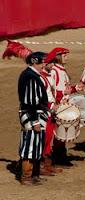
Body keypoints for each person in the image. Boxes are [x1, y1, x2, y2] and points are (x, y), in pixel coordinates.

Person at [45, 47, 84, 166]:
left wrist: (74, 88)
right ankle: (50, 158)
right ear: (58, 57)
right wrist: (62, 97)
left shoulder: (62, 70)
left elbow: (64, 89)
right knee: (51, 133)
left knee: (62, 131)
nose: (66, 57)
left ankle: (59, 156)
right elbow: (53, 91)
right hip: (57, 106)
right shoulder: (55, 71)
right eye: (64, 55)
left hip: (62, 104)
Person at [18, 52, 49, 185]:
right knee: (30, 145)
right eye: (42, 62)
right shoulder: (31, 77)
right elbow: (30, 102)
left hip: (34, 113)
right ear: (35, 62)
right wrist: (35, 120)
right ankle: (26, 176)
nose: (44, 64)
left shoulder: (32, 75)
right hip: (32, 115)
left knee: (36, 144)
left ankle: (34, 174)